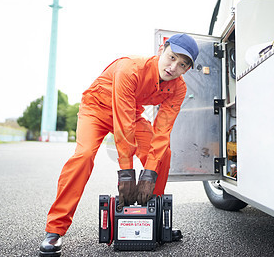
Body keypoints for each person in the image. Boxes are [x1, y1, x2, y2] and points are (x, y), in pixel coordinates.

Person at [39, 33, 199, 256]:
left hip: (131, 113)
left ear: (187, 70)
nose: (173, 67)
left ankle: (155, 220)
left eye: (182, 64)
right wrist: (126, 174)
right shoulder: (130, 68)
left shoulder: (178, 89)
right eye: (171, 57)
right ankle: (55, 230)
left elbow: (162, 132)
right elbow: (122, 125)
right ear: (162, 49)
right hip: (97, 109)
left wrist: (149, 174)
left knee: (164, 154)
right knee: (83, 156)